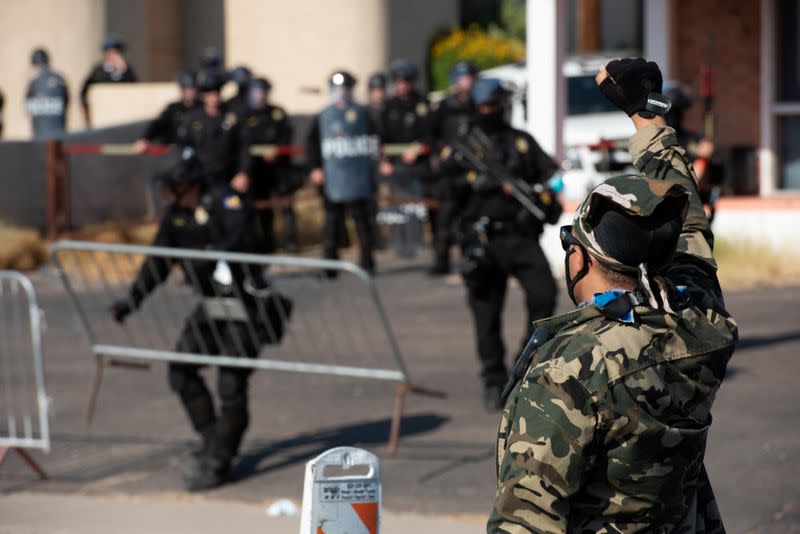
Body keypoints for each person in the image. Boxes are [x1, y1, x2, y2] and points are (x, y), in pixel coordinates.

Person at [488, 58, 738, 532]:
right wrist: (649, 117)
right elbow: (690, 240)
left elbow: (525, 521)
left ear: (579, 259)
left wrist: (647, 117)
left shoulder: (569, 371)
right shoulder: (699, 325)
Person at [109, 149, 291, 491]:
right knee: (181, 369)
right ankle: (213, 439)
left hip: (247, 304)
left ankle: (221, 460)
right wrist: (130, 302)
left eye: (170, 187)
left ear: (187, 182)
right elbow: (158, 263)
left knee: (230, 382)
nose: (166, 194)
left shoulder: (226, 201)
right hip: (213, 304)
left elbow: (247, 238)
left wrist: (217, 253)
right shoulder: (176, 216)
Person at [441, 78, 561, 411]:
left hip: (520, 236)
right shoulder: (463, 148)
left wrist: (548, 196)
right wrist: (471, 187)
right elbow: (446, 193)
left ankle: (524, 367)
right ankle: (494, 380)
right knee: (486, 315)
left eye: (494, 106)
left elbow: (551, 176)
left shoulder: (521, 142)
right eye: (483, 107)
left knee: (544, 295)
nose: (489, 112)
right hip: (482, 240)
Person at [307, 70, 378, 274]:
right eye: (338, 88)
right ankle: (330, 265)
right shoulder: (324, 116)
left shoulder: (363, 114)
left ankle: (367, 262)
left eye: (345, 88)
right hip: (333, 178)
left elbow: (374, 141)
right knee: (331, 223)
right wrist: (315, 168)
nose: (341, 92)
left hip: (358, 176)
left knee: (362, 222)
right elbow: (312, 144)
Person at [379, 59, 433, 258]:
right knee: (396, 206)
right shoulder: (389, 106)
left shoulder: (421, 103)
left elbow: (430, 132)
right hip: (396, 166)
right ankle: (398, 244)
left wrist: (418, 147)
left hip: (417, 165)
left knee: (415, 207)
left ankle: (415, 244)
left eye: (406, 81)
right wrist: (384, 161)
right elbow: (381, 137)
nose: (402, 85)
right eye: (399, 81)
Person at [429, 61, 478, 274]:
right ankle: (441, 262)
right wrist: (438, 154)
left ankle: (471, 259)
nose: (464, 83)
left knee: (470, 218)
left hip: (473, 168)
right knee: (444, 220)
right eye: (461, 78)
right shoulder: (445, 106)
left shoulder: (478, 105)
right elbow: (431, 133)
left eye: (467, 78)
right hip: (449, 171)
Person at [242, 77, 297, 253]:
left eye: (264, 91)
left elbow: (287, 135)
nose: (261, 95)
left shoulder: (277, 113)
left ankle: (290, 242)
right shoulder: (246, 115)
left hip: (279, 169)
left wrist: (276, 151)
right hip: (257, 170)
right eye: (258, 91)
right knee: (260, 209)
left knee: (286, 205)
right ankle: (264, 244)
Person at [176, 69, 250, 193]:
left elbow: (243, 147)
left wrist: (243, 173)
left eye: (217, 93)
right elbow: (182, 147)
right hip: (200, 179)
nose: (214, 98)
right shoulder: (192, 119)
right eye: (210, 94)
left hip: (228, 178)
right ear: (203, 96)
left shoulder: (232, 116)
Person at [664, 81, 722, 222]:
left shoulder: (695, 141)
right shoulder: (659, 143)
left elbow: (716, 176)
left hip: (694, 207)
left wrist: (705, 158)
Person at [134, 71, 200, 153]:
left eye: (191, 88)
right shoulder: (173, 109)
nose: (189, 92)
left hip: (199, 154)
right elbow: (157, 126)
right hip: (175, 155)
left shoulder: (202, 109)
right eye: (186, 88)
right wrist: (145, 139)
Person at [80, 36, 137, 127]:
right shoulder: (98, 70)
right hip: (103, 115)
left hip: (122, 114)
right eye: (111, 51)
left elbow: (134, 88)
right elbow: (85, 91)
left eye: (117, 51)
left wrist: (125, 71)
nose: (115, 55)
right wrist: (86, 112)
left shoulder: (126, 70)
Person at [25, 48, 69, 140]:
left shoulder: (37, 82)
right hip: (44, 132)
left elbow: (65, 101)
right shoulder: (34, 82)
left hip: (51, 132)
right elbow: (28, 105)